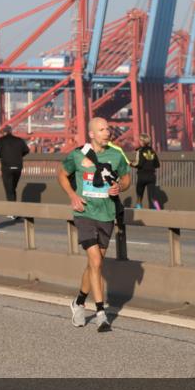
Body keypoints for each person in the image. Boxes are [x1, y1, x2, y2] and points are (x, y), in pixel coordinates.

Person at [58, 117, 131, 329]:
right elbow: (62, 174)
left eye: (108, 128)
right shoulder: (77, 154)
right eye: (101, 129)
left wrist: (120, 187)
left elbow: (126, 179)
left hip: (107, 214)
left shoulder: (116, 155)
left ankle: (78, 302)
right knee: (97, 262)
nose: (107, 132)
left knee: (94, 264)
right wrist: (72, 195)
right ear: (91, 134)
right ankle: (101, 313)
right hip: (85, 213)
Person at [0, 125, 30, 207]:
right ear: (10, 131)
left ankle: (12, 211)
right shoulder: (19, 140)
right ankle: (14, 209)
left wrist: (4, 154)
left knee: (9, 190)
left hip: (7, 167)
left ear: (4, 132)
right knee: (13, 188)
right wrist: (19, 155)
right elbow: (27, 150)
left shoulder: (1, 140)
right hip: (18, 167)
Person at [130, 133, 160, 209]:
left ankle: (139, 207)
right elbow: (157, 165)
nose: (139, 142)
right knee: (153, 196)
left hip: (142, 176)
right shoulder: (153, 151)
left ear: (142, 141)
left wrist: (131, 164)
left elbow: (138, 164)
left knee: (139, 193)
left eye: (140, 140)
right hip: (151, 176)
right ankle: (157, 209)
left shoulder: (139, 151)